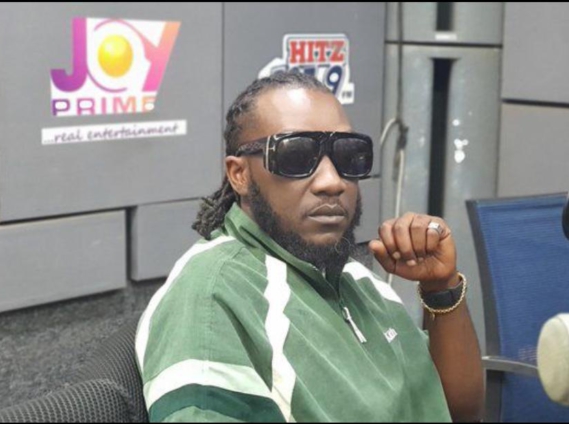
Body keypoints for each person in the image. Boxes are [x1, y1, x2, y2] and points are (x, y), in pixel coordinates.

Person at [135, 71, 484, 422]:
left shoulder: (353, 277)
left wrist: (441, 288)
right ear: (240, 174)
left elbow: (456, 411)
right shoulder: (214, 294)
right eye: (296, 155)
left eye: (348, 154)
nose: (332, 181)